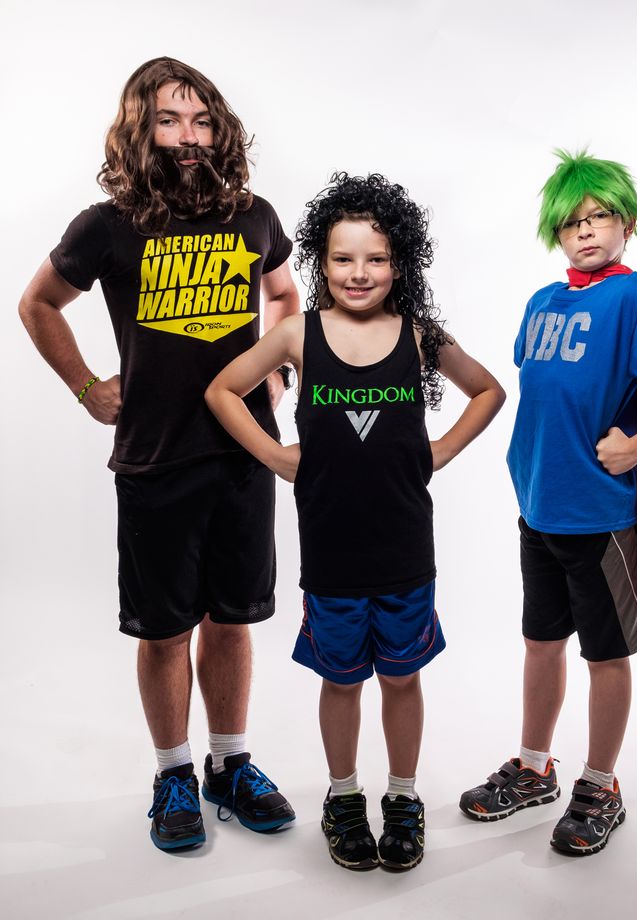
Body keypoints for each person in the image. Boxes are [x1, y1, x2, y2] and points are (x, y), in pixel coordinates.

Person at [18, 57, 300, 851]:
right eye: (171, 120)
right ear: (140, 128)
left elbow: (283, 295)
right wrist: (85, 387)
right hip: (154, 457)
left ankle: (231, 764)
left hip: (245, 451)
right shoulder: (106, 226)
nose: (188, 137)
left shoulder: (254, 215)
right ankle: (174, 772)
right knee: (165, 628)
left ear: (221, 129)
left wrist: (278, 368)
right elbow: (36, 303)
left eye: (202, 120)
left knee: (234, 620)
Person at [206, 173, 506, 871]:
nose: (359, 272)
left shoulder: (420, 336)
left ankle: (402, 797)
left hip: (405, 552)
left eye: (375, 258)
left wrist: (442, 449)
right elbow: (221, 390)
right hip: (333, 555)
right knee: (341, 680)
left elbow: (489, 390)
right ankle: (344, 797)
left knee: (402, 678)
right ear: (321, 262)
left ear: (399, 262)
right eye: (343, 258)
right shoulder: (297, 335)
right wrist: (278, 456)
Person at [459, 149, 637, 855]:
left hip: (601, 516)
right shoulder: (542, 303)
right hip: (539, 508)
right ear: (555, 232)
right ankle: (533, 767)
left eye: (599, 216)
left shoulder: (635, 299)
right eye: (571, 221)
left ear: (626, 223)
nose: (585, 231)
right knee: (539, 643)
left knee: (604, 655)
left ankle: (601, 783)